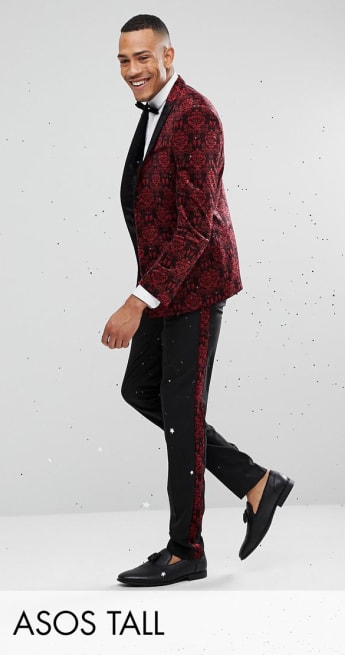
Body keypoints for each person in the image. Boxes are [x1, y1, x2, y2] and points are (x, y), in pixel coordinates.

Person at [101, 14, 294, 586]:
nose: (132, 69)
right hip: (167, 285)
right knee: (142, 391)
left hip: (197, 285)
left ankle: (186, 550)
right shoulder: (156, 116)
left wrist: (137, 300)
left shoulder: (196, 117)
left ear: (168, 55)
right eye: (123, 60)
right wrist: (149, 291)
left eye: (142, 57)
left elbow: (196, 227)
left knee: (181, 411)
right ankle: (256, 482)